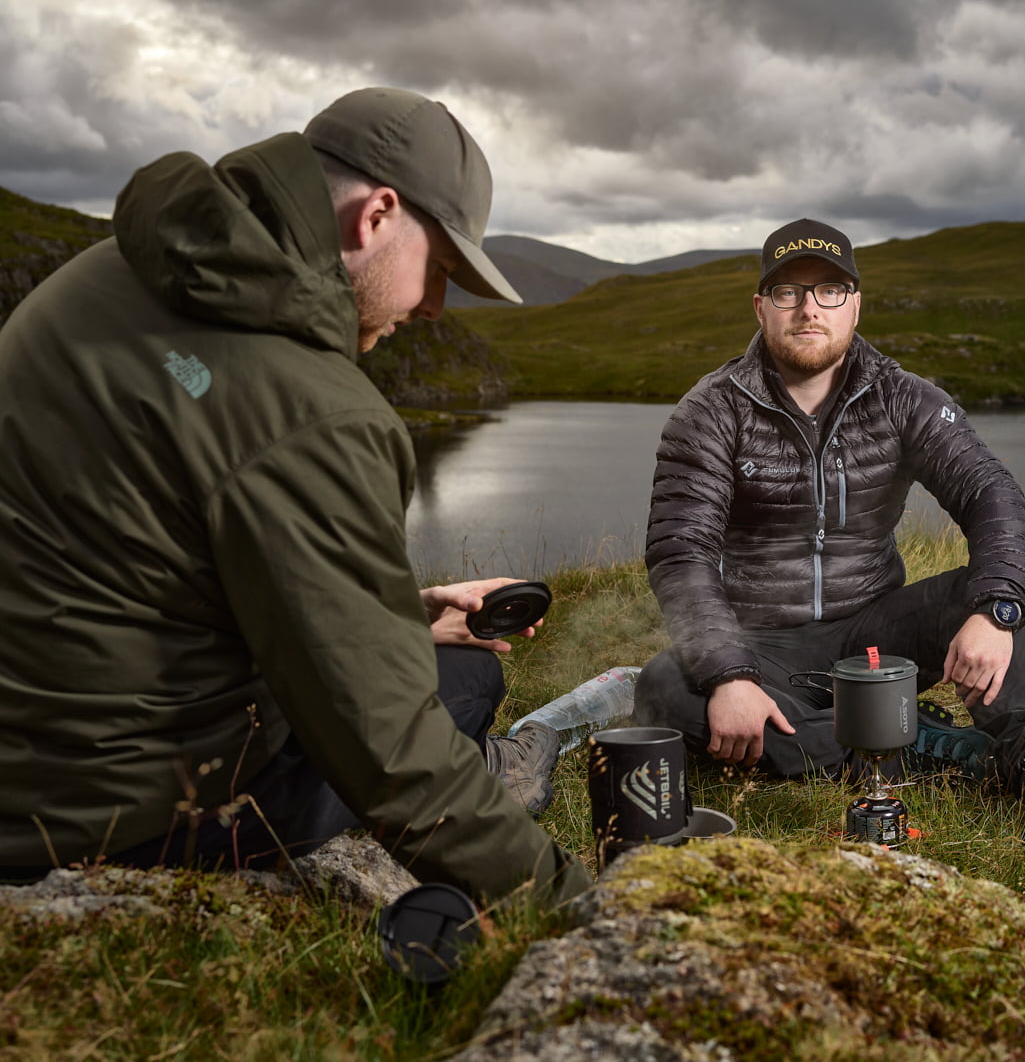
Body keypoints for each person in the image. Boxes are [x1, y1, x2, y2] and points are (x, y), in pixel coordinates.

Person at [0, 87, 590, 905]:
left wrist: (406, 611)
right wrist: (579, 911)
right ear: (377, 215)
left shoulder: (111, 271)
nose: (433, 306)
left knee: (436, 656)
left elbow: (147, 558)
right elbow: (389, 756)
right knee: (462, 686)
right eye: (442, 269)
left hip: (35, 754)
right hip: (117, 818)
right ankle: (501, 778)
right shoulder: (314, 411)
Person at [635, 218, 1025, 848]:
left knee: (971, 598)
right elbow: (681, 551)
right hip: (761, 648)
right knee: (664, 692)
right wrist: (729, 676)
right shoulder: (709, 411)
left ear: (855, 305)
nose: (808, 309)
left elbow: (991, 495)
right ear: (762, 307)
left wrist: (998, 610)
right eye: (789, 292)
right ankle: (929, 746)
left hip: (877, 635)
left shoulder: (905, 399)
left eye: (829, 291)